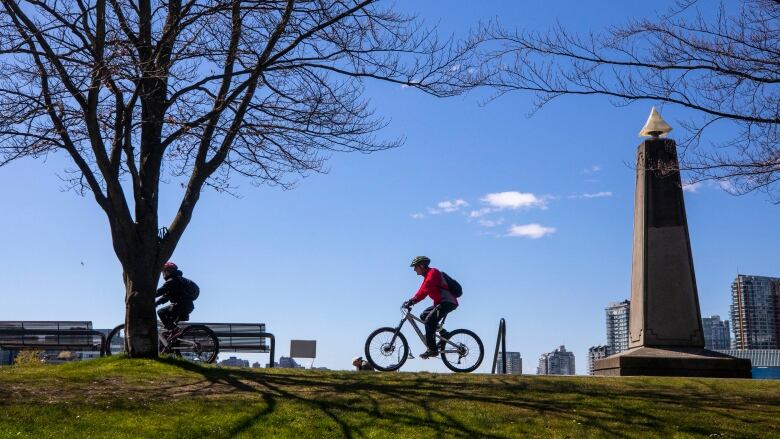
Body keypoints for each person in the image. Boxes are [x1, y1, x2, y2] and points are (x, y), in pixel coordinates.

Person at [403, 256, 458, 359]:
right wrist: (412, 300)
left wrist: (413, 301)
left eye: (415, 267)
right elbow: (421, 291)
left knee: (429, 321)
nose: (414, 270)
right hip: (440, 303)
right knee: (424, 316)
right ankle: (444, 334)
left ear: (421, 266)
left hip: (448, 302)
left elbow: (425, 291)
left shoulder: (433, 273)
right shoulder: (427, 275)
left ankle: (432, 349)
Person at [155, 262, 198, 339]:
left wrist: (148, 296)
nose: (163, 274)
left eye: (164, 272)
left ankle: (174, 330)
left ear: (168, 271)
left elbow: (160, 291)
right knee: (168, 326)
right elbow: (167, 296)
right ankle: (172, 340)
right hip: (187, 306)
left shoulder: (172, 281)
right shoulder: (178, 280)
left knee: (161, 312)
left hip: (181, 305)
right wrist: (157, 303)